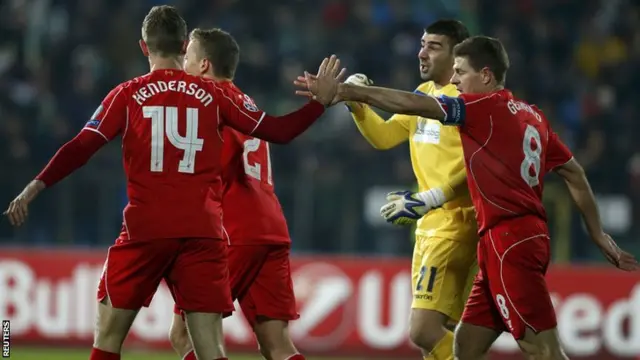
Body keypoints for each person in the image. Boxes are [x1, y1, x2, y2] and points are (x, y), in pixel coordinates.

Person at [3, 6, 341, 360]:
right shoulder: (216, 95)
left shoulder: (127, 94)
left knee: (107, 339)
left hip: (145, 229)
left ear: (144, 47)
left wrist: (35, 186)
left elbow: (81, 147)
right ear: (183, 46)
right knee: (211, 348)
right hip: (204, 234)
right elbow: (279, 131)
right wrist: (320, 104)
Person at [296, 36, 638, 360]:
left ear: (486, 75)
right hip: (501, 241)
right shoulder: (531, 115)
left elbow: (416, 103)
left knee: (544, 350)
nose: (455, 81)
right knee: (466, 345)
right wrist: (598, 234)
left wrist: (345, 91)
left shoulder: (483, 108)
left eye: (461, 73)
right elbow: (574, 172)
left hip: (510, 241)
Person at [340, 20, 476, 360]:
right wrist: (357, 106)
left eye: (434, 46)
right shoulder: (423, 95)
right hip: (431, 224)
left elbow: (476, 165)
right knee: (439, 338)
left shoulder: (466, 101)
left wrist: (431, 197)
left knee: (423, 330)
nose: (422, 53)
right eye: (422, 44)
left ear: (457, 54)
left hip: (454, 223)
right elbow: (384, 137)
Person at [168, 28, 305, 360]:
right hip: (271, 229)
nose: (181, 64)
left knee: (185, 333)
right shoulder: (246, 102)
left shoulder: (210, 104)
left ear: (203, 65)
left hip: (234, 231)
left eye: (187, 58)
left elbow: (206, 171)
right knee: (277, 343)